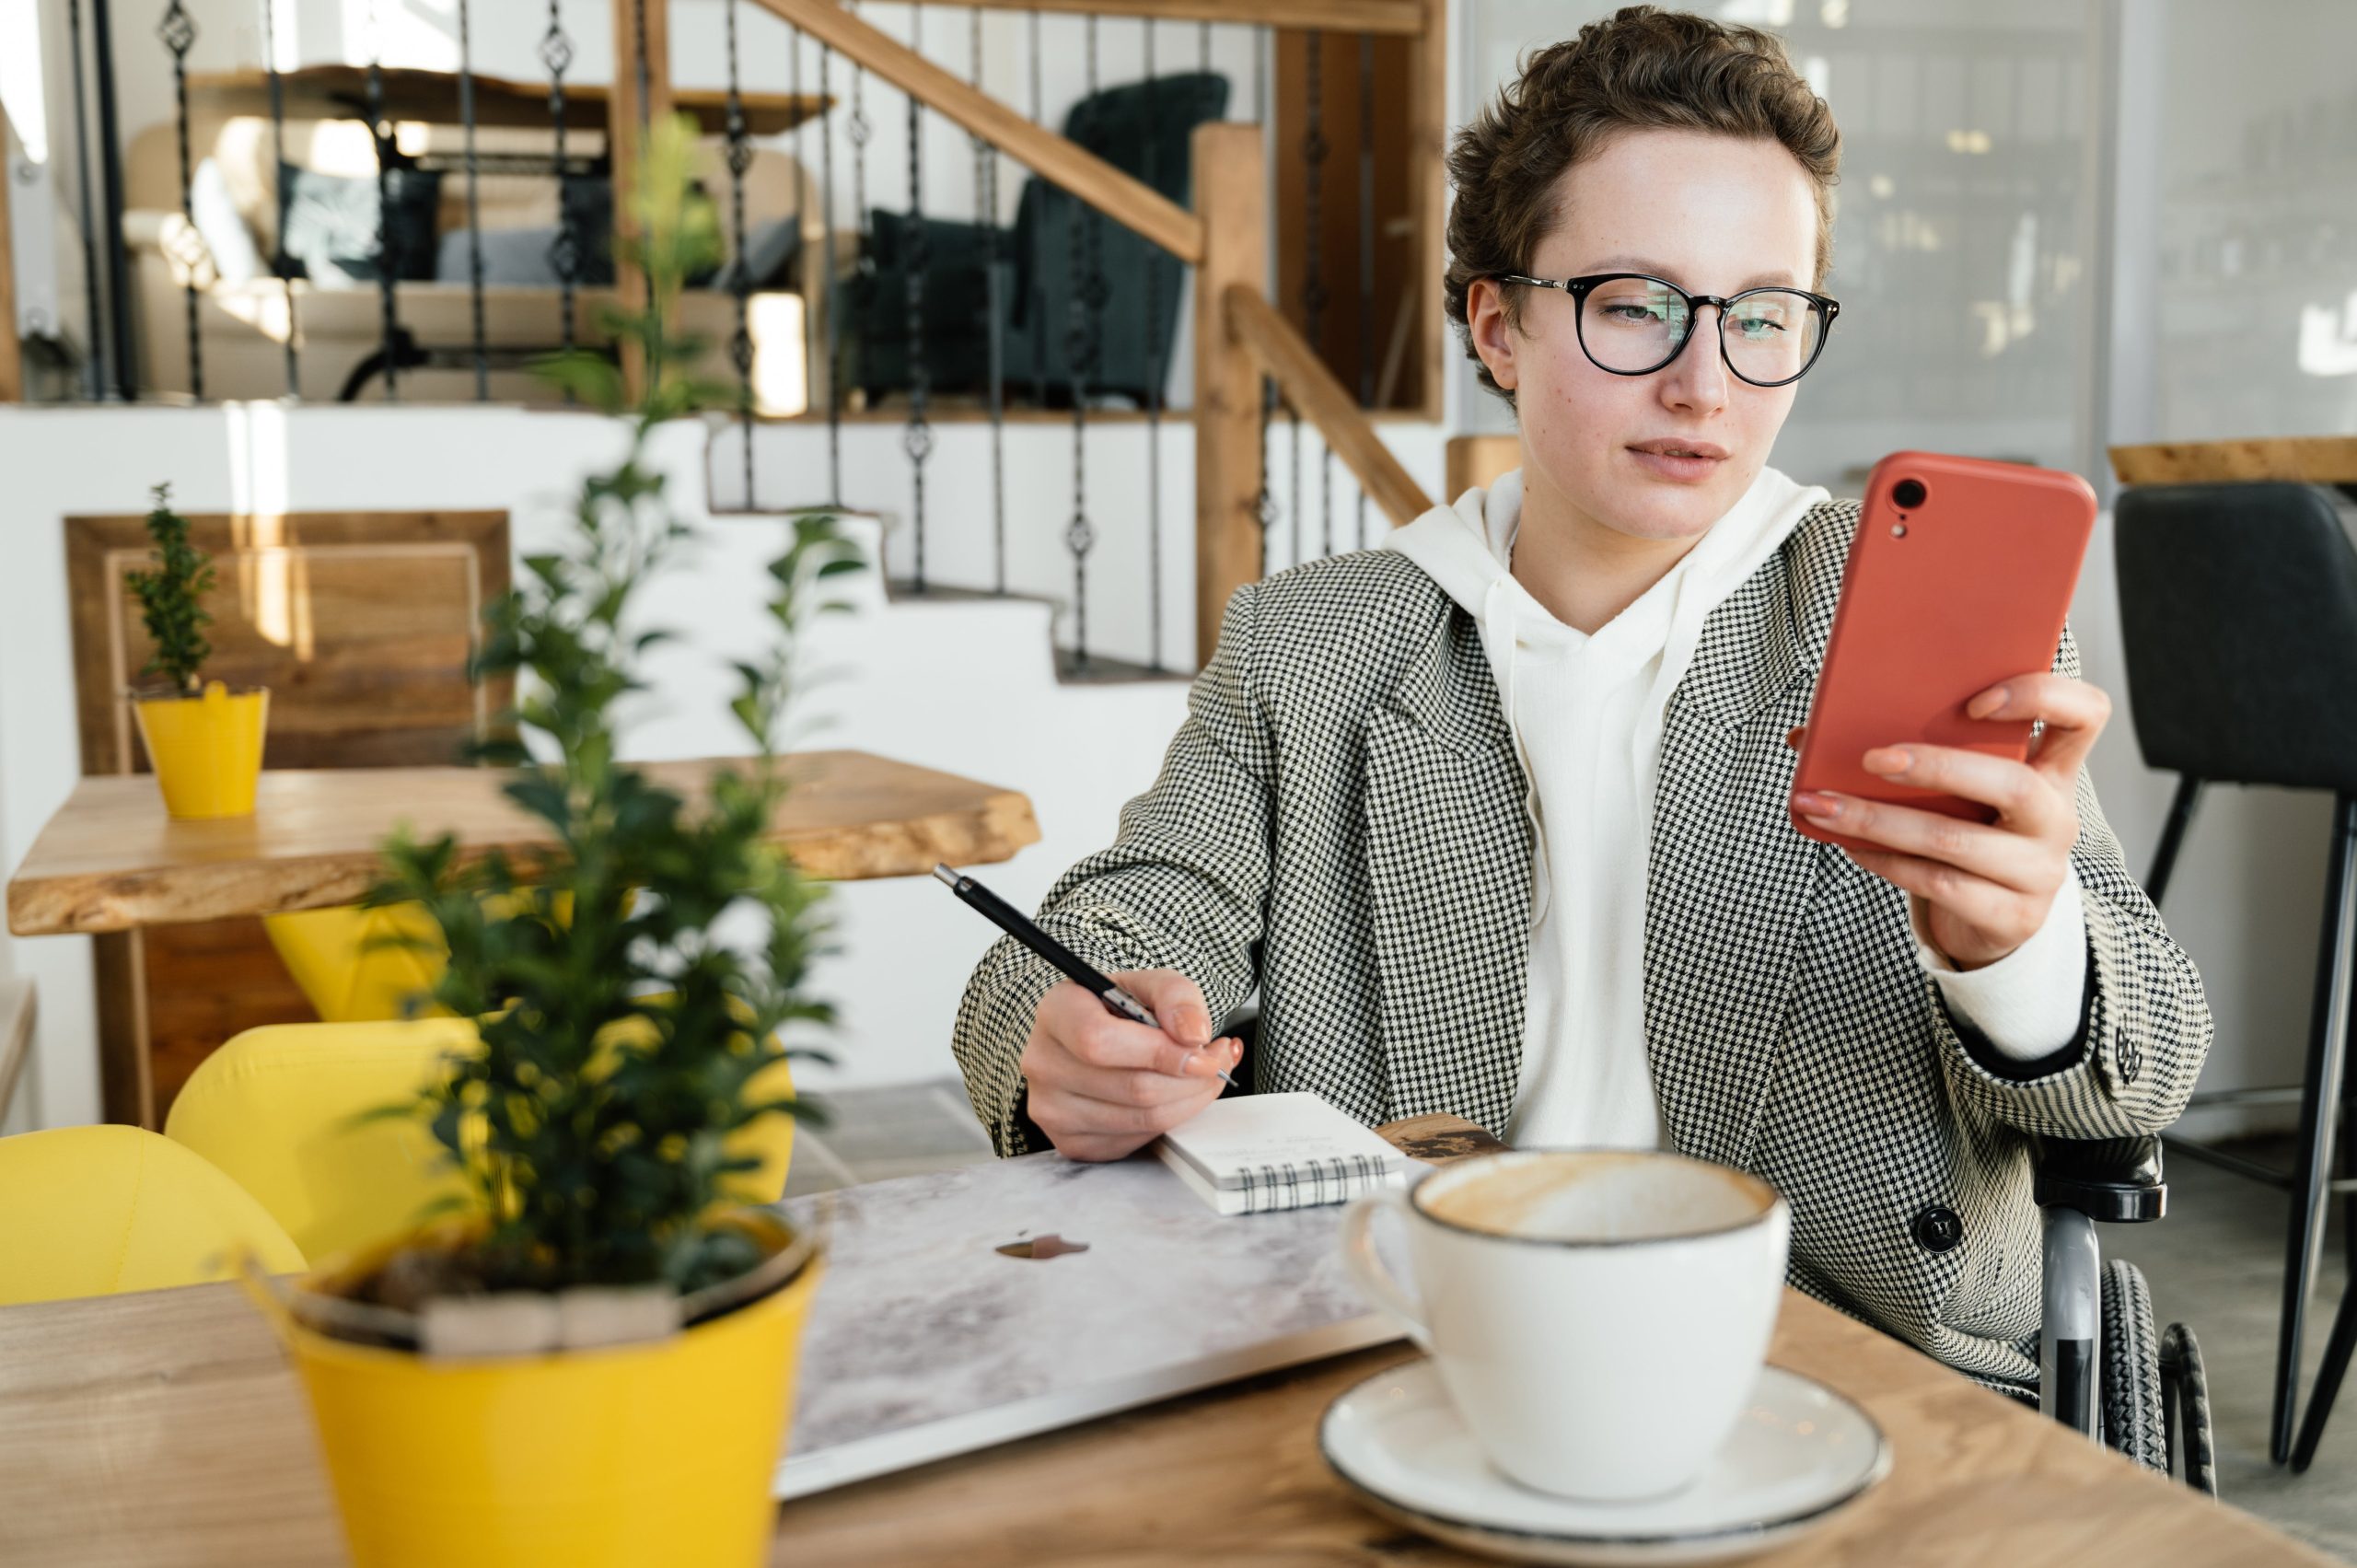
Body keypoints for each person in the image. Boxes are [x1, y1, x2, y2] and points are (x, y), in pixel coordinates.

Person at [950, 5, 2209, 1391]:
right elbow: (1112, 923)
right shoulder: (1313, 645)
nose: (1702, 382)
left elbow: (2140, 1073)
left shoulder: (1914, 616)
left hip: (1840, 1369)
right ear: (1497, 326)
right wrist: (1062, 1040)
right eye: (1634, 305)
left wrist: (2017, 950)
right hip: (1417, 1345)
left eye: (1763, 317)